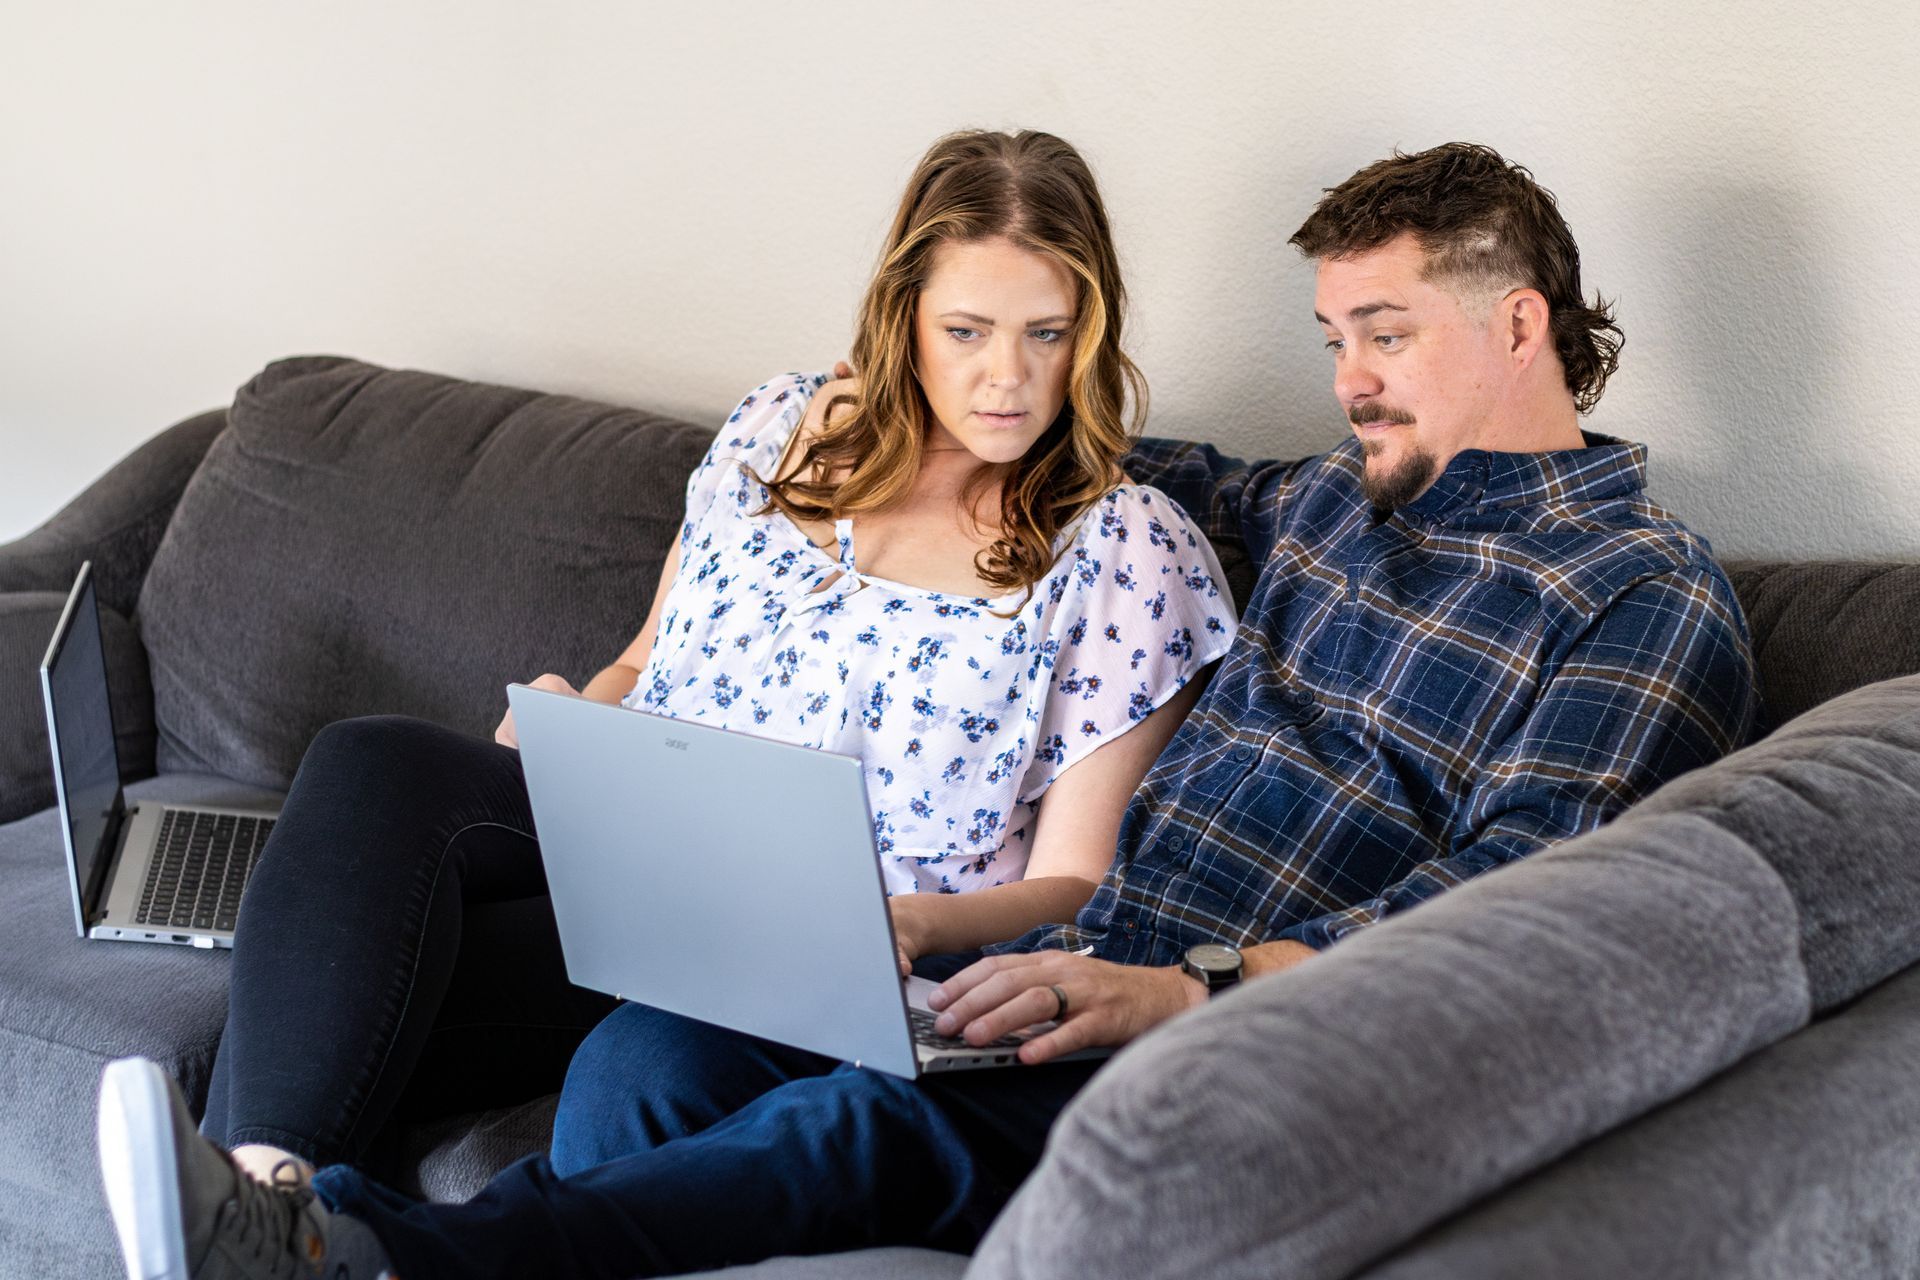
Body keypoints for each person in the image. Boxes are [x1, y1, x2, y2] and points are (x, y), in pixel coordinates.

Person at [96, 142, 1757, 1280]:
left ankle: (358, 1252)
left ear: (1521, 323)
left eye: (1382, 336)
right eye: (1334, 340)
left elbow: (1529, 902)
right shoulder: (1327, 506)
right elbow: (1042, 443)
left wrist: (1183, 984)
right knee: (629, 1048)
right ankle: (267, 1200)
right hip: (1029, 978)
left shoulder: (1637, 593)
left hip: (1214, 1015)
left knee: (837, 1117)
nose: (1349, 382)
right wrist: (885, 401)